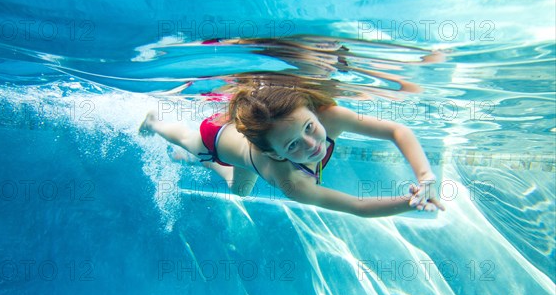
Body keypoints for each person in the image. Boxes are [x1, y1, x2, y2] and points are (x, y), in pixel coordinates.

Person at [139, 85, 445, 217]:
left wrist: (425, 175)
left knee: (241, 191)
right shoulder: (293, 183)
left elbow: (397, 130)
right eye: (293, 146)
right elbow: (357, 206)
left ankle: (203, 163)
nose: (312, 145)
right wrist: (410, 203)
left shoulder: (331, 115)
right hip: (215, 138)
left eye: (309, 128)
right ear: (276, 154)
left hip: (249, 148)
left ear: (311, 111)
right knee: (185, 138)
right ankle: (155, 124)